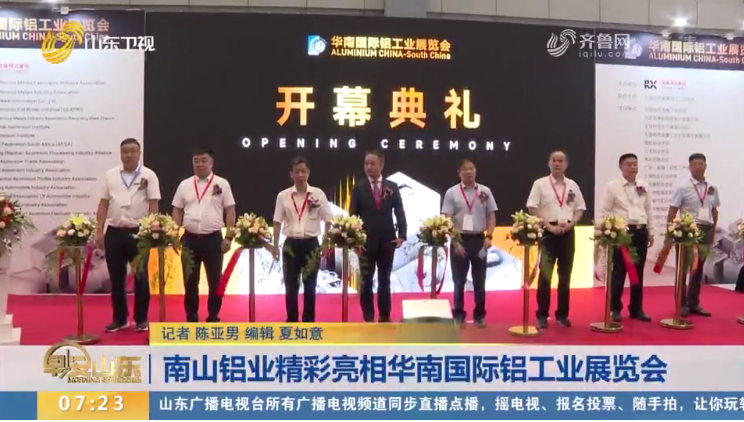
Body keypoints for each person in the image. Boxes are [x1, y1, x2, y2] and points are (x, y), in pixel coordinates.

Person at [95, 138, 161, 333]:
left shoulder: (149, 175)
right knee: (116, 278)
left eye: (133, 151)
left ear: (139, 153)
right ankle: (119, 319)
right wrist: (99, 229)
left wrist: (153, 231)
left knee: (141, 277)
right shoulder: (111, 175)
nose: (129, 154)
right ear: (120, 154)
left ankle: (141, 319)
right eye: (125, 151)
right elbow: (103, 203)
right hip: (114, 232)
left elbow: (153, 204)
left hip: (138, 233)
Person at [172, 148, 236, 323]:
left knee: (215, 282)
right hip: (189, 239)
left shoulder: (222, 184)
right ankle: (191, 316)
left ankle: (213, 316)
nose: (200, 164)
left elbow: (230, 211)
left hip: (213, 240)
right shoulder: (184, 185)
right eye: (196, 161)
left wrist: (229, 237)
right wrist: (174, 234)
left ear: (211, 162)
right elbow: (177, 211)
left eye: (204, 160)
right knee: (190, 281)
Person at [526, 151, 586, 329]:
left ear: (566, 164)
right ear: (549, 163)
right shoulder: (540, 184)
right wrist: (548, 225)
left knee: (565, 276)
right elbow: (532, 207)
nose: (557, 164)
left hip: (568, 232)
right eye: (554, 160)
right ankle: (542, 315)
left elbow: (580, 208)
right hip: (547, 232)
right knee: (545, 276)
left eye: (560, 161)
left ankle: (562, 315)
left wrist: (572, 223)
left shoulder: (572, 185)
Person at [272, 157, 332, 323]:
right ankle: (291, 320)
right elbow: (277, 222)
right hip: (290, 245)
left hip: (311, 245)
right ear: (291, 174)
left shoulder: (318, 194)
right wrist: (275, 246)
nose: (300, 175)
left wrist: (326, 242)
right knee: (290, 286)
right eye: (297, 172)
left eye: (303, 171)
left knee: (310, 285)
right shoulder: (283, 196)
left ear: (308, 173)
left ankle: (308, 322)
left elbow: (328, 220)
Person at [349, 150, 407, 323]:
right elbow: (353, 216)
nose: (368, 167)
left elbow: (399, 212)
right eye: (366, 163)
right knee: (366, 281)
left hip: (387, 241)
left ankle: (384, 316)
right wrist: (354, 239)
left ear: (381, 165)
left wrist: (402, 235)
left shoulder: (392, 187)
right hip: (364, 243)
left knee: (384, 280)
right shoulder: (359, 188)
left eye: (372, 163)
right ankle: (368, 316)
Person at [441, 159, 497, 327]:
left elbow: (491, 216)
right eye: (465, 169)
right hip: (459, 240)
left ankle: (479, 315)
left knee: (479, 281)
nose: (469, 172)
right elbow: (447, 218)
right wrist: (455, 241)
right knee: (459, 281)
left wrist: (489, 237)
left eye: (471, 168)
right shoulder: (452, 192)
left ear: (475, 171)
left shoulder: (485, 191)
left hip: (479, 240)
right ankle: (459, 314)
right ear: (459, 172)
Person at [599, 153, 654, 322]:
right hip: (622, 233)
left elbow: (648, 209)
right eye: (629, 164)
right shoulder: (612, 186)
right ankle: (615, 309)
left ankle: (636, 309)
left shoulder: (643, 185)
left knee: (638, 272)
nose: (633, 167)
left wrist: (651, 231)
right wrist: (609, 230)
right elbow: (605, 210)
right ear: (621, 167)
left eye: (635, 164)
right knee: (619, 272)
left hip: (640, 231)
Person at [666, 153, 719, 317]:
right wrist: (669, 232)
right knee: (683, 269)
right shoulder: (682, 187)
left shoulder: (712, 187)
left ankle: (694, 303)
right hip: (687, 231)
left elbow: (714, 210)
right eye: (694, 164)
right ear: (689, 168)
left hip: (705, 229)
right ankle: (681, 304)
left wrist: (713, 231)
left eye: (701, 164)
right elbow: (673, 210)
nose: (698, 167)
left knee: (698, 269)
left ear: (705, 166)